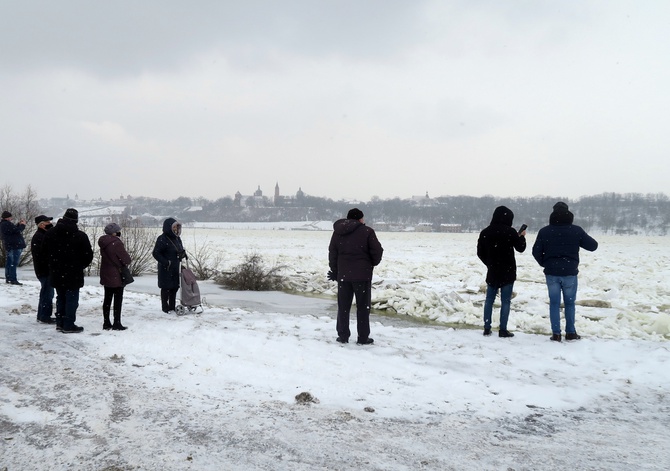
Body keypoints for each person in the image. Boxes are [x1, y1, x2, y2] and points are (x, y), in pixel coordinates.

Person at [532, 202, 598, 342]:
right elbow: (593, 246)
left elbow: (535, 251)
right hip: (569, 272)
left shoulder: (545, 231)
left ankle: (556, 333)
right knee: (569, 303)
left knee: (554, 303)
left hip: (552, 273)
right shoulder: (576, 230)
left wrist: (545, 263)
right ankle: (571, 332)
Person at [328, 208, 383, 345]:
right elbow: (377, 251)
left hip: (344, 275)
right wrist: (371, 264)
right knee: (363, 308)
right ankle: (363, 337)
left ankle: (343, 335)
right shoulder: (367, 232)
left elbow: (332, 253)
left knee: (343, 307)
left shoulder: (338, 232)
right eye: (363, 218)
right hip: (362, 276)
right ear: (360, 219)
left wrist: (335, 271)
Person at [477, 206, 527, 338]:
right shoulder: (510, 232)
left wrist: (490, 264)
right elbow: (521, 248)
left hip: (493, 271)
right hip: (508, 271)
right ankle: (503, 329)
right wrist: (521, 237)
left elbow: (480, 252)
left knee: (489, 300)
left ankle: (487, 328)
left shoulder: (485, 232)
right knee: (506, 301)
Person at [43, 208, 94, 333]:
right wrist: (79, 265)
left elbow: (43, 252)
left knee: (60, 297)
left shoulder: (50, 233)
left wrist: (53, 263)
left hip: (56, 271)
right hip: (73, 273)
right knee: (71, 299)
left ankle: (60, 322)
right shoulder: (80, 236)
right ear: (76, 220)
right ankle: (68, 324)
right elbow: (88, 255)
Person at [98, 222, 132, 331]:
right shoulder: (116, 243)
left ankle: (106, 322)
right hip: (117, 274)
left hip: (106, 273)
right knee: (117, 299)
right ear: (114, 232)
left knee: (107, 299)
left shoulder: (103, 242)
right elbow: (126, 259)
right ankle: (117, 322)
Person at [152, 218, 187, 314]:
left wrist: (183, 254)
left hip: (176, 267)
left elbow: (179, 249)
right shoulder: (162, 239)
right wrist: (166, 262)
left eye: (177, 227)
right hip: (166, 268)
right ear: (168, 227)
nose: (175, 229)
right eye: (174, 227)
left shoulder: (177, 238)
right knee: (166, 287)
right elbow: (156, 253)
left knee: (174, 287)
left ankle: (172, 306)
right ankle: (165, 307)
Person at [31, 215, 56, 324]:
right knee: (47, 293)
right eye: (47, 222)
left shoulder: (41, 235)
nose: (50, 223)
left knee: (45, 292)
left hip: (43, 269)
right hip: (44, 270)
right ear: (41, 224)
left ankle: (42, 314)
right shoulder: (40, 237)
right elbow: (43, 255)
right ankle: (45, 316)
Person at [1, 210, 27, 285]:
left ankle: (9, 278)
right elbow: (17, 231)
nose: (11, 218)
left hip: (10, 245)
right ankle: (13, 279)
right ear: (8, 217)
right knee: (13, 262)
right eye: (10, 217)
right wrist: (22, 225)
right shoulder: (6, 224)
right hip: (15, 245)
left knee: (9, 262)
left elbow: (13, 230)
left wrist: (18, 224)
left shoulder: (4, 224)